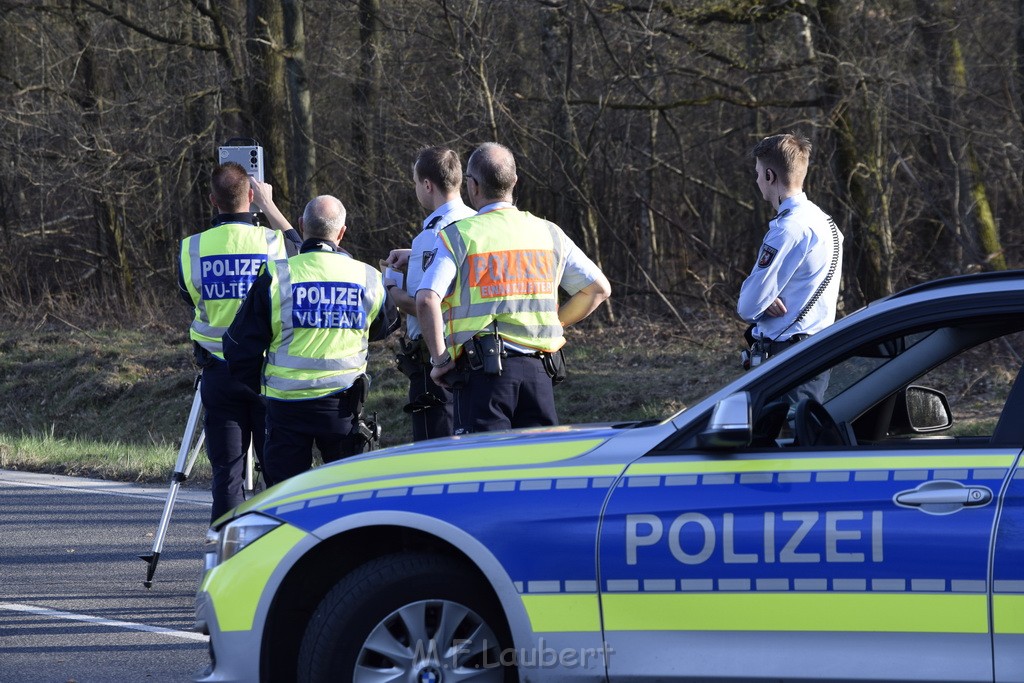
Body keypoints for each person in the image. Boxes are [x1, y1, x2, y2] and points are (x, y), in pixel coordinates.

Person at [415, 142, 611, 433]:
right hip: (539, 375)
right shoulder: (549, 233)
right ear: (514, 182)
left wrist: (440, 360)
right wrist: (552, 324)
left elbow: (426, 299)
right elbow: (598, 289)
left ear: (472, 186)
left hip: (482, 379)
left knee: (485, 472)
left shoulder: (457, 236)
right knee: (538, 471)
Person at [223, 189, 399, 486]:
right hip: (343, 408)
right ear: (342, 233)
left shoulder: (277, 275)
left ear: (301, 226)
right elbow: (385, 326)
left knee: (284, 500)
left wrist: (261, 384)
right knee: (346, 498)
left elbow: (239, 347)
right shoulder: (367, 277)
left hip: (286, 408)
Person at [178, 162, 301, 522]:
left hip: (218, 371)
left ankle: (227, 558)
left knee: (226, 475)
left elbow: (190, 296)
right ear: (252, 196)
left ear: (212, 200)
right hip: (267, 371)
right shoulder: (274, 241)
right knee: (277, 474)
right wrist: (272, 208)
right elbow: (306, 252)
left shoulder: (192, 248)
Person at [737, 132, 844, 404]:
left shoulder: (789, 229)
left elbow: (748, 307)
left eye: (759, 173)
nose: (757, 180)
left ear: (770, 176)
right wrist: (765, 297)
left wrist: (760, 297)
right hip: (809, 354)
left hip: (789, 360)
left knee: (785, 442)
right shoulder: (823, 221)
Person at [383, 147, 476, 441]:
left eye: (415, 182)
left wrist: (394, 292)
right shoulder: (479, 224)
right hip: (477, 354)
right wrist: (414, 257)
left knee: (434, 451)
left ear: (427, 185)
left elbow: (425, 303)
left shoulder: (431, 235)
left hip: (438, 361)